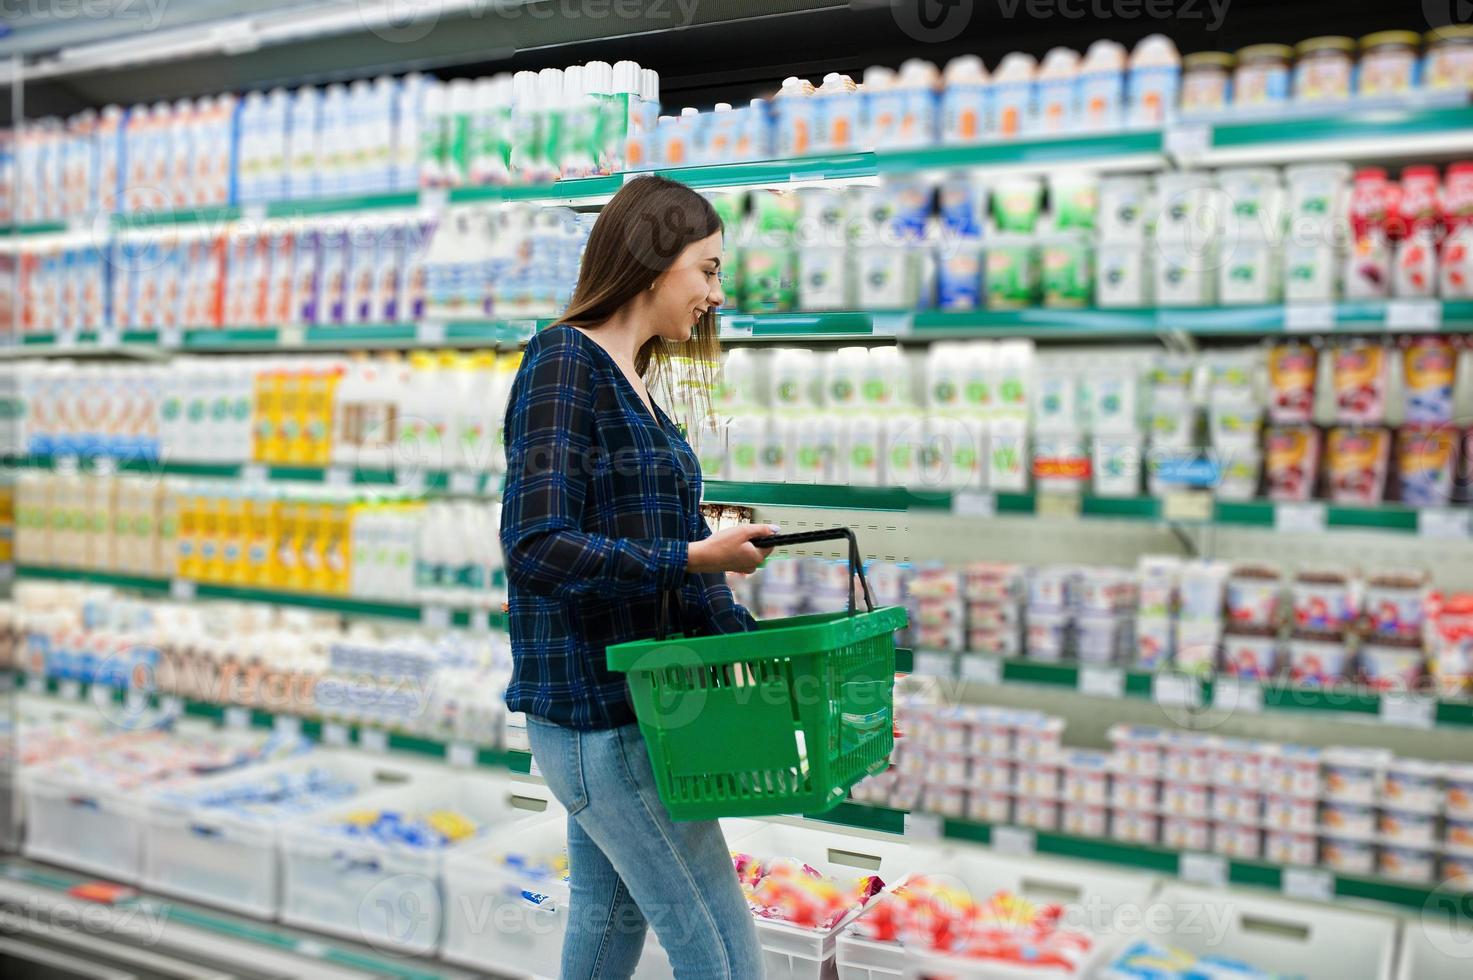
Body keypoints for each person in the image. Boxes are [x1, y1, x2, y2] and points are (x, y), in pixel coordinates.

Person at [499, 174, 774, 980]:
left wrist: (762, 658)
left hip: (641, 710)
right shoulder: (563, 364)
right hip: (600, 719)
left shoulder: (638, 388)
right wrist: (694, 557)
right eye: (709, 269)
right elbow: (537, 545)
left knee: (604, 938)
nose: (717, 294)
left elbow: (679, 542)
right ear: (655, 263)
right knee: (723, 957)